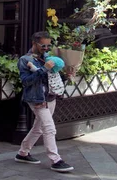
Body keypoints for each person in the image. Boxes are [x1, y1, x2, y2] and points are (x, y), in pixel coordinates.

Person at [15, 31, 74, 173]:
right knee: (49, 128)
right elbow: (26, 81)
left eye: (48, 45)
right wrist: (44, 68)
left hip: (50, 97)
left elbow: (53, 77)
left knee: (39, 128)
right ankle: (56, 160)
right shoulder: (25, 60)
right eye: (43, 45)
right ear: (34, 43)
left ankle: (23, 153)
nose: (46, 48)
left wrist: (67, 76)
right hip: (36, 99)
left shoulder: (48, 57)